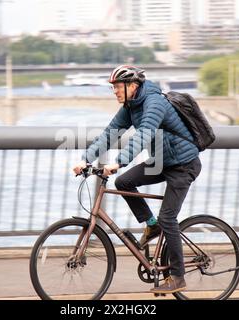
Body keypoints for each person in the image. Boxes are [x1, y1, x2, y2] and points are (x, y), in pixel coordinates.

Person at [72, 65, 202, 294]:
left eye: (116, 86)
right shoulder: (130, 106)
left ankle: (178, 276)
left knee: (168, 217)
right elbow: (110, 133)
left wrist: (119, 162)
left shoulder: (154, 103)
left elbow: (143, 135)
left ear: (132, 85)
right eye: (112, 87)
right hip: (162, 162)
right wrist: (86, 159)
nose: (114, 91)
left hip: (183, 165)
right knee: (123, 183)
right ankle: (152, 227)